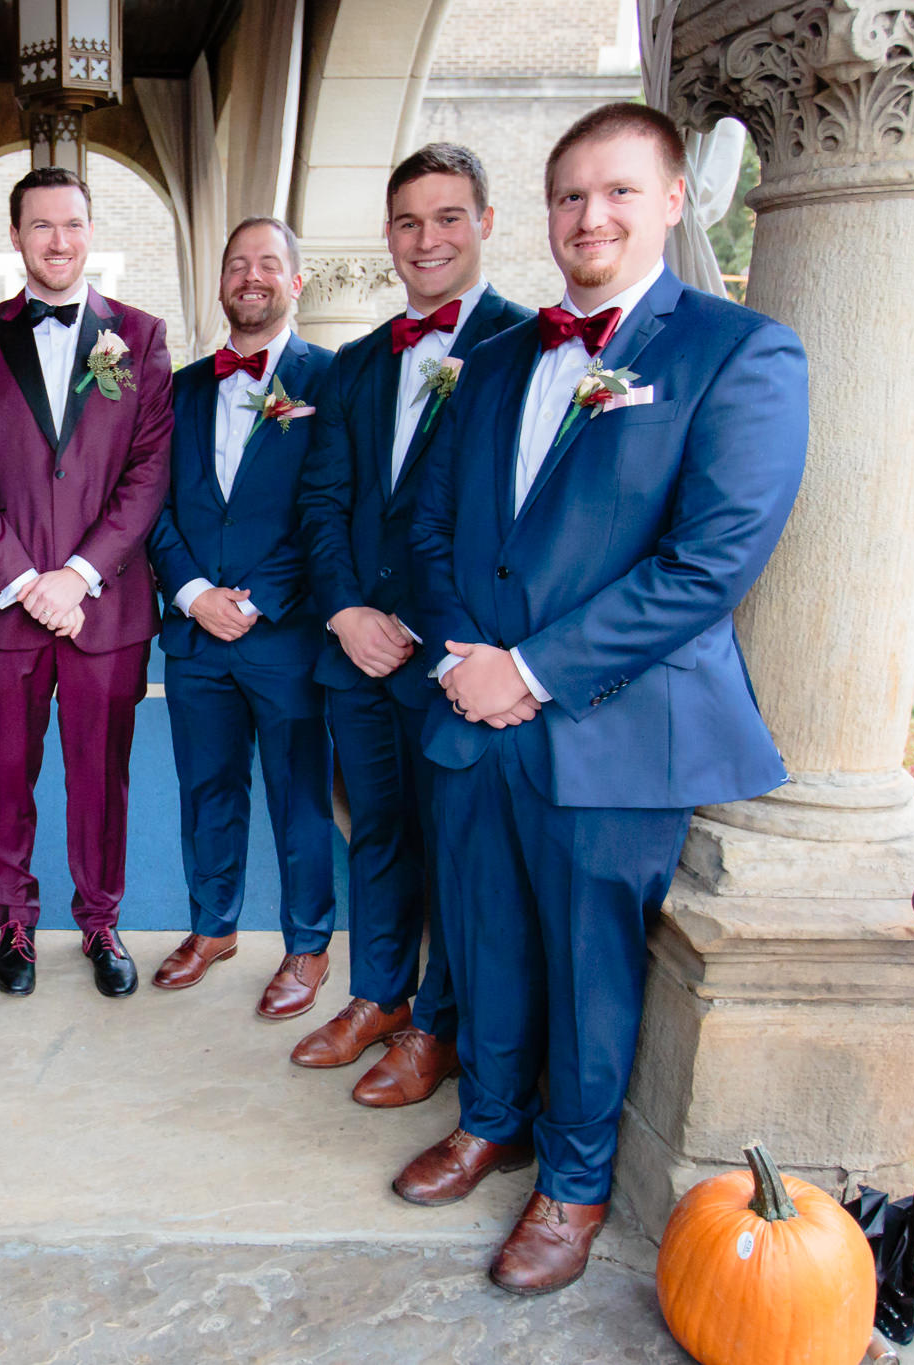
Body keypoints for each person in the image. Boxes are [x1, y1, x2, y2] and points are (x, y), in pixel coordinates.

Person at [400, 103, 807, 1295]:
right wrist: (463, 660)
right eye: (570, 194)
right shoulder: (494, 360)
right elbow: (428, 526)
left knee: (586, 967)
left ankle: (572, 1185)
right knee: (477, 934)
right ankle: (489, 1120)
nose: (590, 215)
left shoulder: (738, 351)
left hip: (613, 732)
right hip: (471, 717)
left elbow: (711, 559)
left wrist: (528, 673)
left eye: (619, 192)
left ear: (672, 201)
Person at [292, 145, 531, 1103]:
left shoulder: (525, 349)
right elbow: (323, 499)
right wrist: (347, 612)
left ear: (483, 222)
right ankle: (378, 995)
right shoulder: (355, 364)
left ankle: (440, 1024)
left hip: (458, 659)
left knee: (456, 848)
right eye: (407, 222)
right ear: (387, 238)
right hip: (360, 653)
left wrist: (440, 635)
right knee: (379, 829)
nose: (426, 239)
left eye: (446, 218)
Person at [0, 166, 174, 998]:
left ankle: (101, 919)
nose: (59, 241)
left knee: (100, 775)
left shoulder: (139, 338)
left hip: (104, 609)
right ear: (16, 236)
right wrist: (17, 578)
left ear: (90, 230)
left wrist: (76, 576)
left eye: (72, 224)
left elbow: (148, 475)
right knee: (4, 776)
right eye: (41, 226)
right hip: (7, 610)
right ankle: (14, 921)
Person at [147, 217, 339, 1018]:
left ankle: (308, 943)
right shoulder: (179, 387)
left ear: (296, 282)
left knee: (298, 793)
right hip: (196, 636)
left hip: (284, 634)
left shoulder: (330, 382)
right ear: (219, 281)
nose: (250, 276)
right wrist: (193, 592)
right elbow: (151, 507)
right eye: (236, 264)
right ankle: (212, 925)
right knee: (207, 788)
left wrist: (256, 598)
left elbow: (329, 511)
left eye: (268, 264)